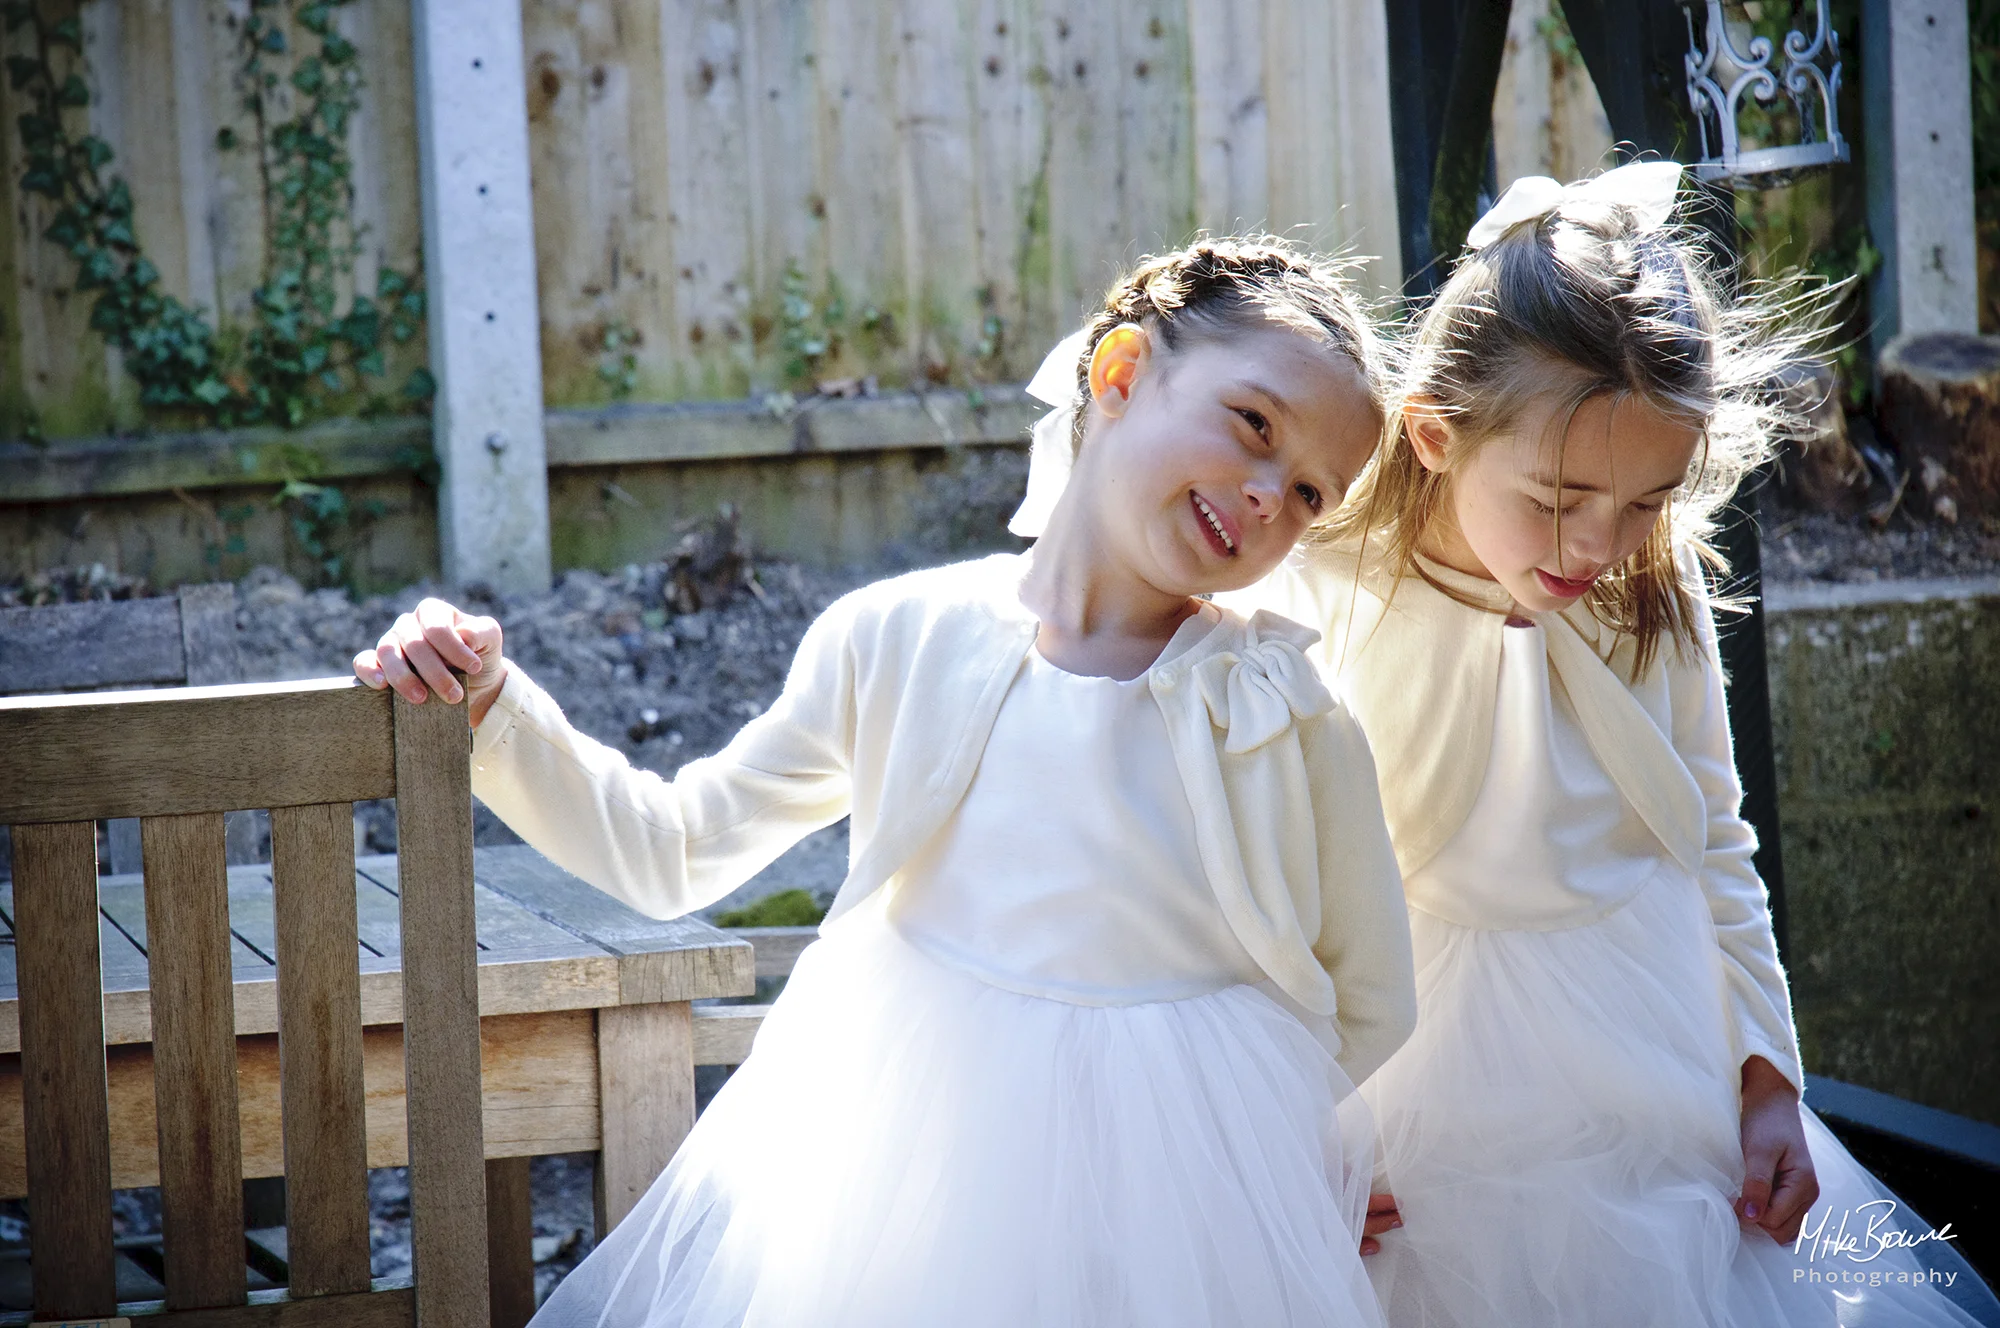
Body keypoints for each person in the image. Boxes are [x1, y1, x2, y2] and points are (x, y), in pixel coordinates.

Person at [356, 238, 1419, 1328]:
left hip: (1182, 1209)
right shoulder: (899, 637)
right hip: (914, 1170)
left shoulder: (1281, 708)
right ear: (1118, 375)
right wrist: (491, 704)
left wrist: (1282, 1156)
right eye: (1252, 424)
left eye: (1305, 492)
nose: (1263, 497)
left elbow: (1373, 988)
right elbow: (671, 847)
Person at [1235, 162, 2000, 1327]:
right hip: (1407, 1054)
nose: (1600, 538)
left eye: (1645, 497)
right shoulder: (1327, 576)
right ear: (1436, 433)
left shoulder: (1656, 582)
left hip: (1641, 1034)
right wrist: (1303, 1123)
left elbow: (1712, 829)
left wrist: (1763, 1070)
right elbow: (1267, 869)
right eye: (1554, 496)